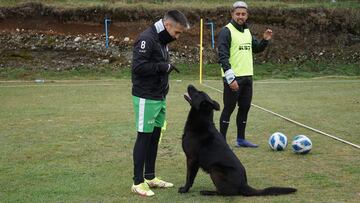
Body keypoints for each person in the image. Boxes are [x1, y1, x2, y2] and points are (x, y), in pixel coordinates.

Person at [131, 10, 189, 196]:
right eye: (177, 32)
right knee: (144, 137)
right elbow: (138, 67)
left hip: (159, 96)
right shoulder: (147, 39)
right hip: (145, 96)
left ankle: (150, 177)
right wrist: (163, 67)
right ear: (167, 25)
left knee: (155, 137)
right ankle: (138, 182)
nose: (178, 37)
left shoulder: (162, 40)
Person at [218, 1, 273, 148]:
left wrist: (265, 41)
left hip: (248, 77)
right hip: (233, 79)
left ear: (247, 15)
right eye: (238, 14)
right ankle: (221, 142)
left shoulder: (247, 31)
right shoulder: (226, 31)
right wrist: (230, 78)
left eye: (243, 14)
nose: (240, 16)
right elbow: (222, 56)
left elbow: (256, 48)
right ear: (232, 14)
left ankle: (241, 140)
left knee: (244, 108)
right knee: (229, 108)